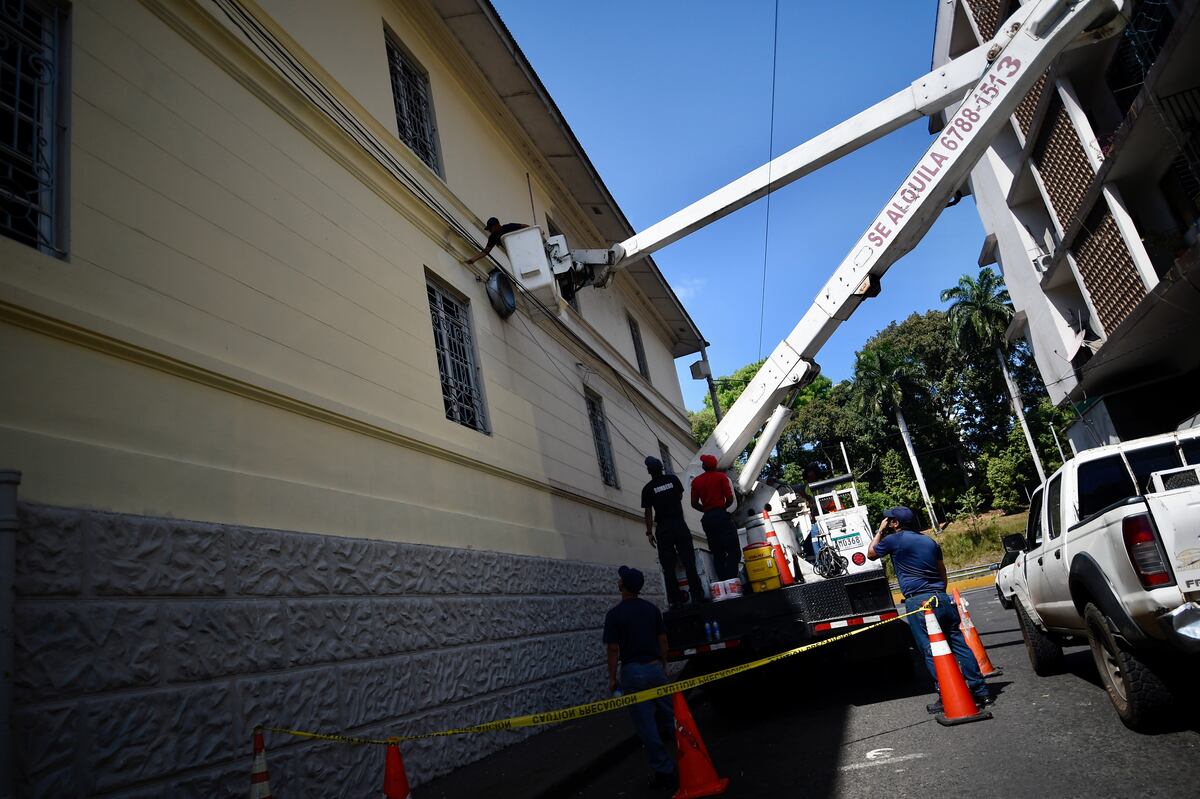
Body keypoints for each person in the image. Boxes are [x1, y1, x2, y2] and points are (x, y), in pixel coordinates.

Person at [866, 506, 992, 712]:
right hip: (941, 597)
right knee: (959, 645)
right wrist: (939, 594)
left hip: (919, 603)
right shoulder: (929, 541)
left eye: (888, 520)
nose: (886, 522)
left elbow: (871, 553)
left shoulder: (893, 540)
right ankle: (981, 691)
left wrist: (880, 531)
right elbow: (942, 572)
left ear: (895, 523)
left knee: (931, 651)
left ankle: (946, 695)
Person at [603, 566, 677, 791]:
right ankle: (690, 755)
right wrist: (663, 665)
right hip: (655, 668)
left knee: (646, 726)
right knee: (672, 717)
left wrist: (613, 678)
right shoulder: (651, 609)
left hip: (633, 673)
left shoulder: (614, 615)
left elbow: (613, 649)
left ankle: (664, 771)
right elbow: (663, 640)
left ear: (622, 586)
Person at [641, 456, 704, 606]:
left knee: (668, 566)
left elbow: (648, 512)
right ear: (661, 468)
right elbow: (680, 496)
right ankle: (697, 595)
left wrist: (649, 532)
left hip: (663, 529)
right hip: (679, 524)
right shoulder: (673, 480)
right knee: (689, 562)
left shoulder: (648, 489)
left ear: (649, 471)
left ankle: (674, 600)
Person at [689, 454, 740, 581]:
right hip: (721, 515)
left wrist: (706, 509)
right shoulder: (721, 477)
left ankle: (723, 581)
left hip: (708, 519)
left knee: (717, 552)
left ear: (703, 466)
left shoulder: (696, 481)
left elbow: (694, 504)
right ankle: (732, 578)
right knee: (733, 550)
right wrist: (723, 507)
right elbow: (729, 498)